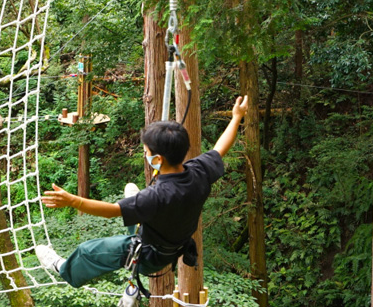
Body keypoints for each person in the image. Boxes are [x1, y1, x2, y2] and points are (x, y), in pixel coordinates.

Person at [36, 96, 249, 292]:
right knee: (139, 206)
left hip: (151, 254)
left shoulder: (156, 196)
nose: (145, 154)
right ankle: (137, 211)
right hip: (172, 239)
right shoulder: (198, 172)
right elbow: (220, 148)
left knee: (88, 251)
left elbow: (111, 211)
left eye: (146, 151)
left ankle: (63, 268)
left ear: (158, 159)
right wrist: (236, 118)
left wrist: (73, 201)